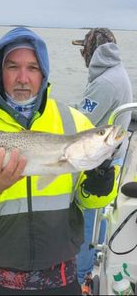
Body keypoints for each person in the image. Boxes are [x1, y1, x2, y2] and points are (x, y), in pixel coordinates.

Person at [0, 27, 119, 295]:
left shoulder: (75, 122)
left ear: (43, 73)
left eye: (32, 67)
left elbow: (87, 202)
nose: (23, 78)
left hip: (60, 279)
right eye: (12, 67)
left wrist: (98, 187)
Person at [72, 27, 133, 291]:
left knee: (85, 216)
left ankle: (81, 274)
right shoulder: (113, 72)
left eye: (84, 51)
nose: (82, 56)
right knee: (95, 215)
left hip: (102, 163)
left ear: (93, 51)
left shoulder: (106, 82)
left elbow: (82, 123)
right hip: (109, 158)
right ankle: (87, 267)